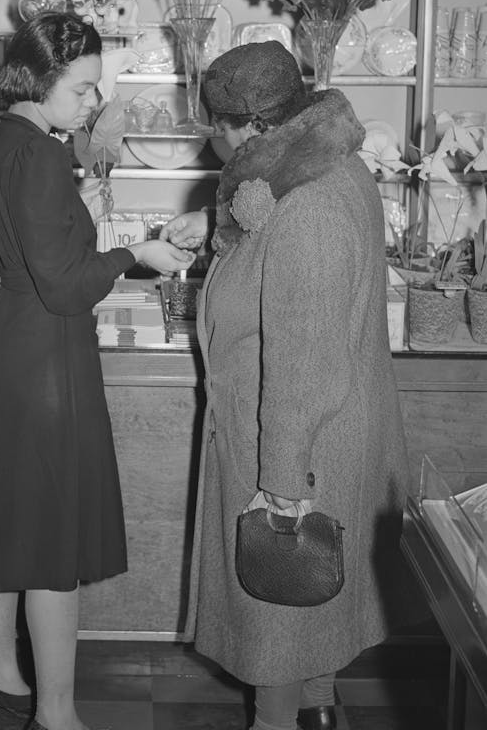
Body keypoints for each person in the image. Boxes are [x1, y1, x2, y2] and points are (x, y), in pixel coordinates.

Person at [0, 11, 193, 730]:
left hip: (9, 347)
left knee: (7, 523)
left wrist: (72, 214)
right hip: (48, 356)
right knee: (50, 538)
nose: (93, 103)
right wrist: (133, 254)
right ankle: (56, 713)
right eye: (83, 89)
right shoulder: (45, 156)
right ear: (40, 79)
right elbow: (65, 287)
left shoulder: (1, 144)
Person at [160, 41, 411, 730]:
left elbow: (305, 360)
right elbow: (276, 245)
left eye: (216, 128)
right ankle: (318, 707)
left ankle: (276, 722)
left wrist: (281, 481)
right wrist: (214, 223)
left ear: (248, 127)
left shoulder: (311, 211)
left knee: (276, 607)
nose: (212, 143)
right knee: (307, 596)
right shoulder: (320, 168)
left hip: (300, 444)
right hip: (323, 431)